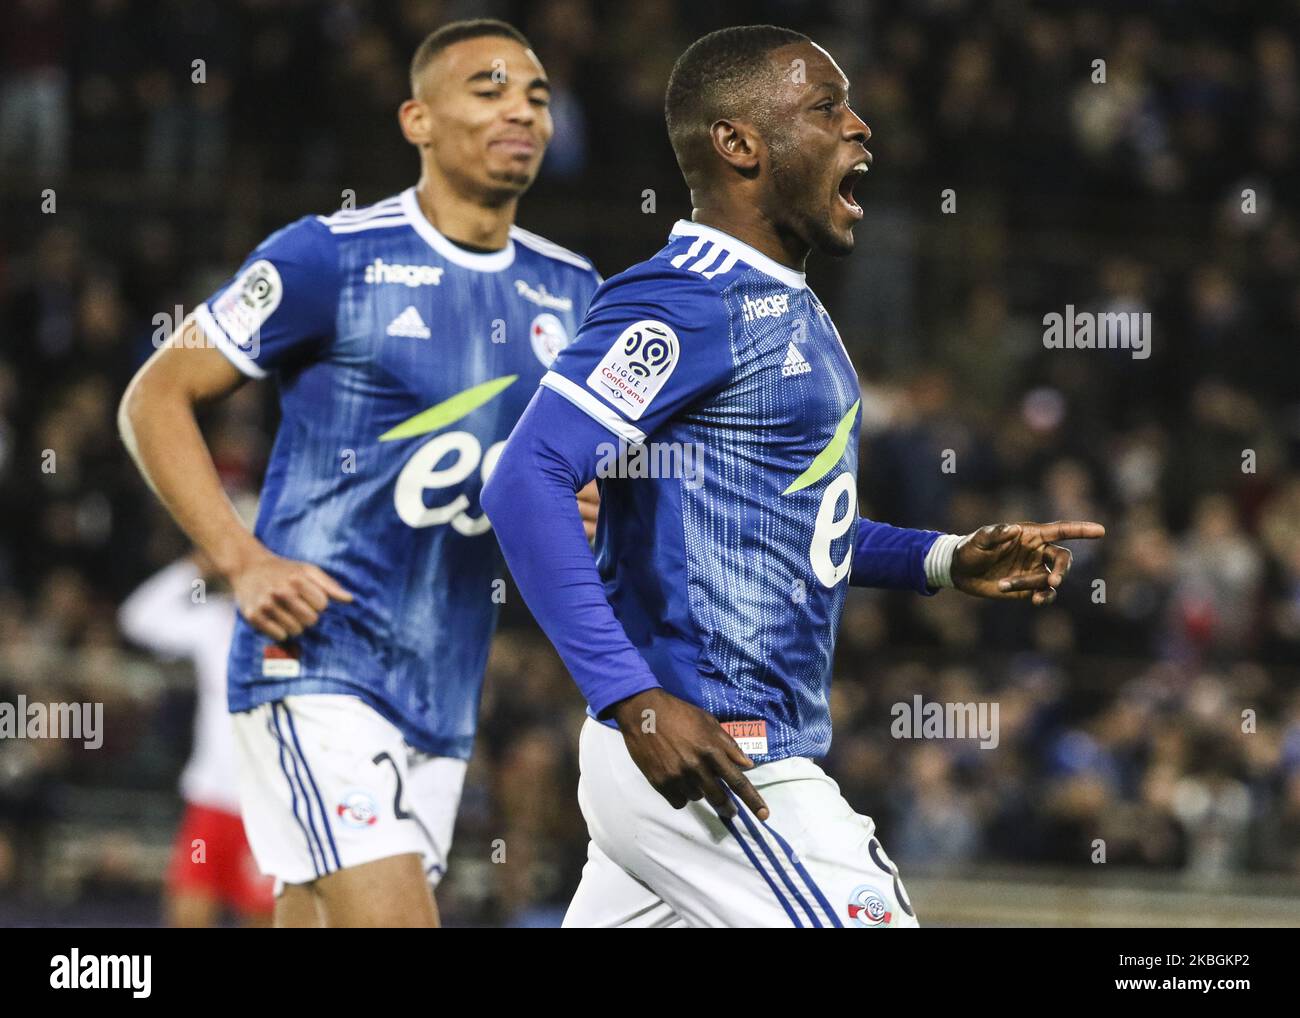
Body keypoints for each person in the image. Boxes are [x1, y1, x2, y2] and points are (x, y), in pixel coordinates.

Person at [481, 24, 1104, 928]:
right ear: (739, 143)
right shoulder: (689, 297)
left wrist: (946, 560)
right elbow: (526, 477)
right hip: (716, 754)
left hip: (687, 763)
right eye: (827, 107)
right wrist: (635, 699)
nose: (861, 129)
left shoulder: (793, 310)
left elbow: (787, 527)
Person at [119, 18, 600, 927]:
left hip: (444, 686)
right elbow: (156, 396)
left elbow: (585, 487)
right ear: (417, 119)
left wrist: (586, 505)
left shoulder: (575, 294)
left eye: (538, 97)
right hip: (315, 663)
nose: (523, 113)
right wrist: (240, 556)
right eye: (490, 90)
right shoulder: (329, 256)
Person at [119, 547, 275, 927]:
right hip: (210, 808)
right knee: (187, 913)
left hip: (269, 812)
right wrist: (200, 562)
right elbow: (137, 618)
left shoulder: (300, 627)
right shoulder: (216, 623)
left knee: (264, 917)